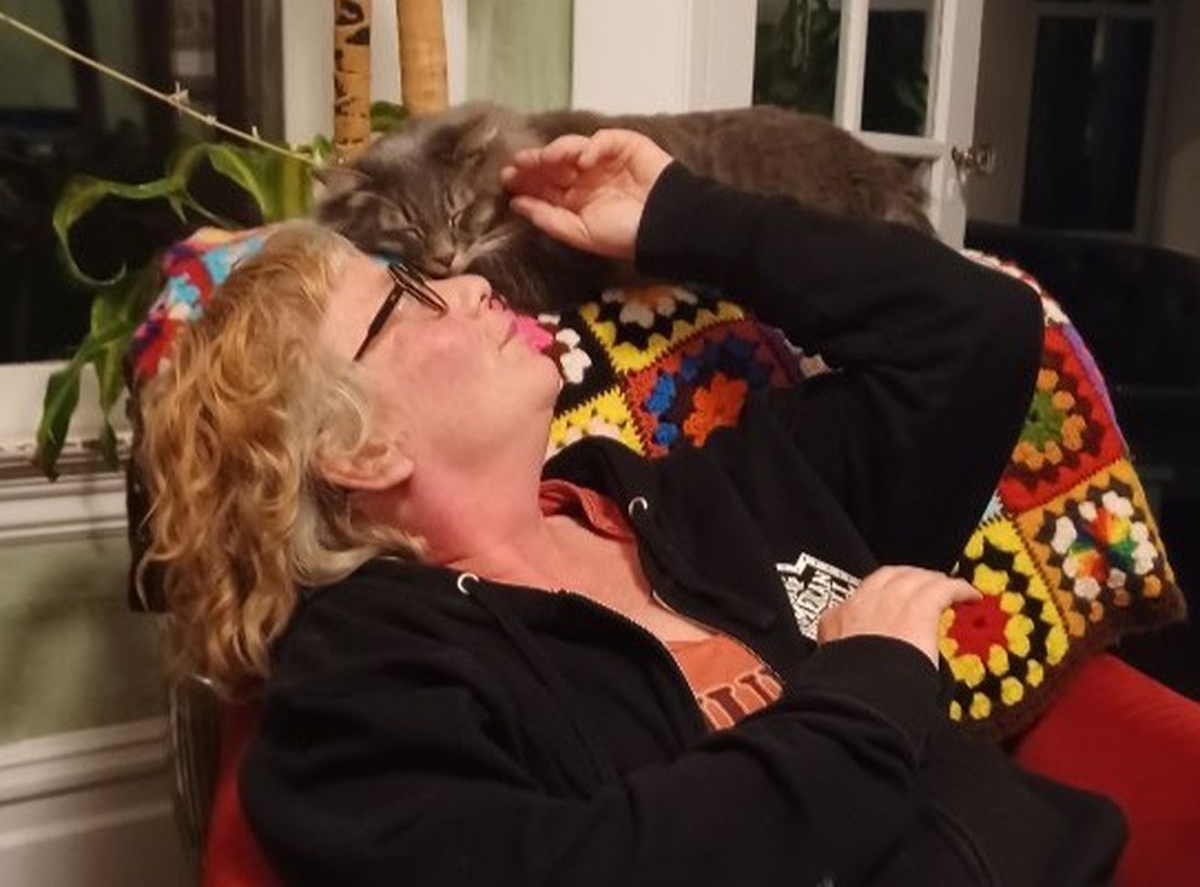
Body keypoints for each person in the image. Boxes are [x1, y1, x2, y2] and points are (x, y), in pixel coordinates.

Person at [137, 129, 1127, 885]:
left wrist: (680, 215)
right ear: (358, 449)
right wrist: (866, 693)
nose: (471, 284)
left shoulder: (707, 494)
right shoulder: (361, 690)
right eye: (409, 299)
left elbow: (974, 332)